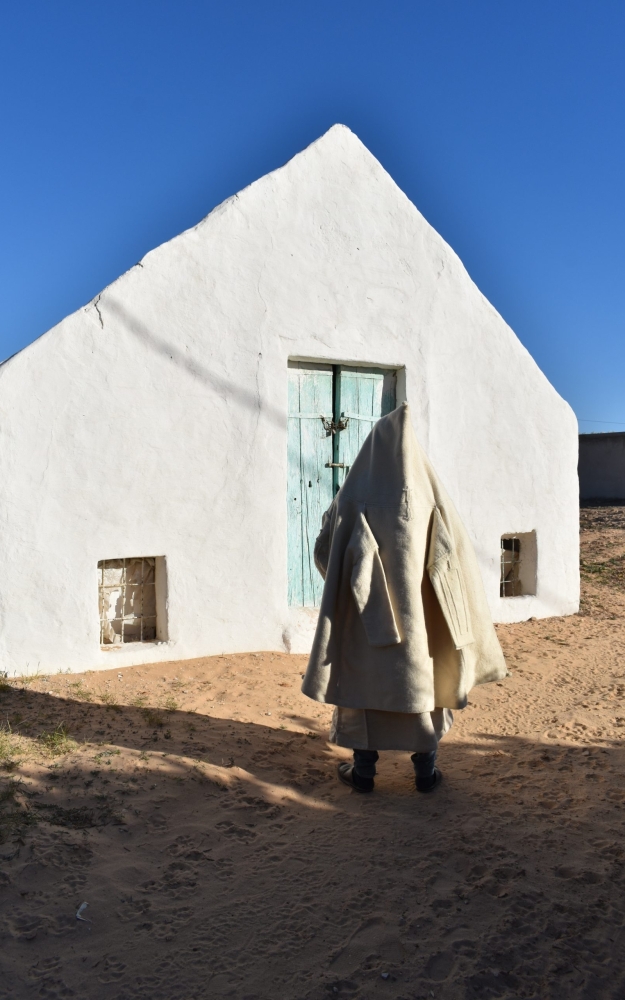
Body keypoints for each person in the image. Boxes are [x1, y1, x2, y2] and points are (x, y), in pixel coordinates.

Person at [301, 403, 507, 793]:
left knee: (366, 691)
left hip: (366, 624)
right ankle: (425, 774)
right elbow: (454, 561)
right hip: (423, 628)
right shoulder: (433, 495)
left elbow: (326, 552)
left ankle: (364, 773)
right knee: (424, 688)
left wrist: (350, 590)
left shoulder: (353, 494)